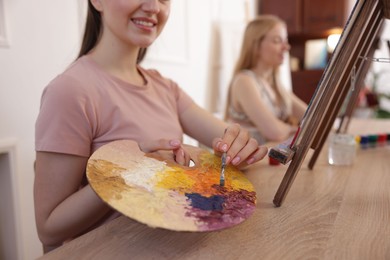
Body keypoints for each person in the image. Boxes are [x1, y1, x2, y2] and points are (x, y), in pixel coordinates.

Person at [34, 0, 268, 252]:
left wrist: (238, 147)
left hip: (169, 246)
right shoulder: (70, 91)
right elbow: (48, 228)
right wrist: (127, 168)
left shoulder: (165, 88)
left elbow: (229, 144)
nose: (154, 6)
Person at [225, 15, 308, 145]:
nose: (286, 47)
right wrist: (297, 130)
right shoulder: (244, 81)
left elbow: (311, 117)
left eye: (285, 41)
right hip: (245, 163)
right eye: (277, 41)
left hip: (266, 160)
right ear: (256, 46)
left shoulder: (276, 85)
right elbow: (274, 132)